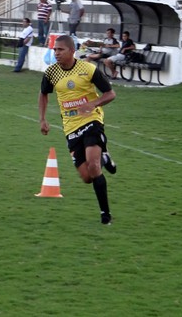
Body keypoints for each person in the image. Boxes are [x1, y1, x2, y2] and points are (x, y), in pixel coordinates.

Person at [38, 35, 117, 225]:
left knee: (93, 165)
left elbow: (110, 93)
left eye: (60, 49)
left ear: (72, 51)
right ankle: (105, 156)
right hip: (70, 128)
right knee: (87, 177)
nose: (56, 53)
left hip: (92, 120)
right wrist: (42, 119)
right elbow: (43, 94)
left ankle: (105, 214)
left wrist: (94, 104)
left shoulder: (88, 69)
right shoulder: (51, 73)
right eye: (55, 49)